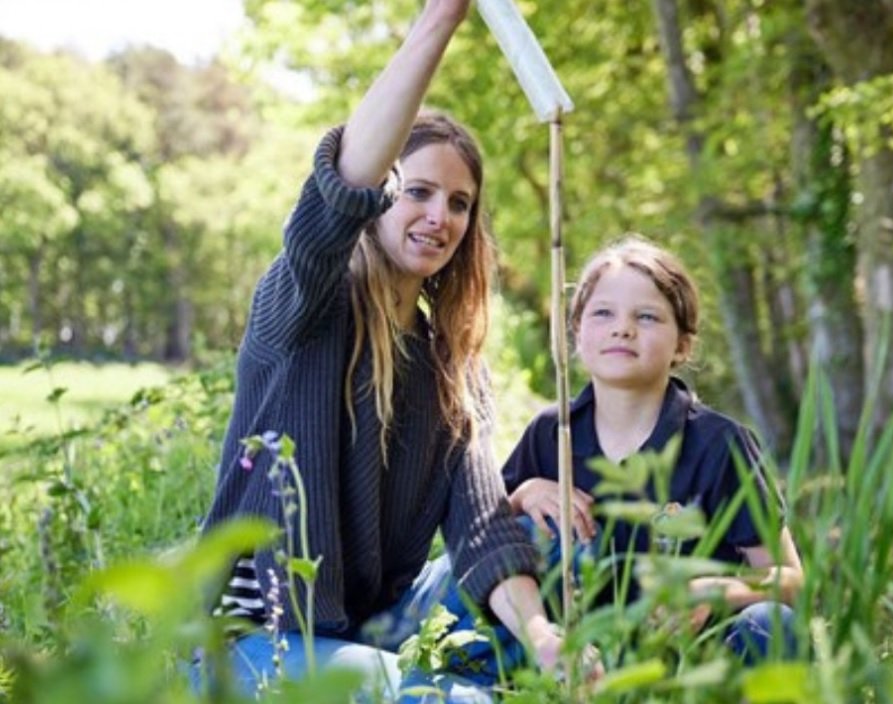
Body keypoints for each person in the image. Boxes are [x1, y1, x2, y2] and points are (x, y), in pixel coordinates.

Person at [194, 1, 572, 700]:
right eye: (419, 192)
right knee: (434, 694)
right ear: (381, 201)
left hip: (374, 630)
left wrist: (547, 639)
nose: (440, 216)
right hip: (257, 644)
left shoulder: (450, 368)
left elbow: (481, 529)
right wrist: (440, 20)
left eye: (459, 203)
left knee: (538, 544)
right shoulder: (305, 306)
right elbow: (338, 193)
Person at [501, 234, 804, 664]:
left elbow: (791, 579)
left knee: (774, 622)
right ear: (577, 332)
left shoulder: (722, 445)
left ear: (682, 344)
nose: (622, 327)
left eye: (646, 317)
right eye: (603, 313)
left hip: (695, 661)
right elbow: (486, 539)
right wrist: (525, 491)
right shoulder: (551, 432)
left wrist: (715, 591)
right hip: (578, 661)